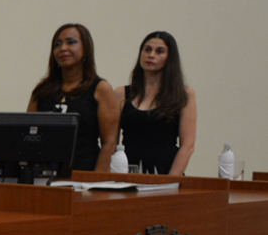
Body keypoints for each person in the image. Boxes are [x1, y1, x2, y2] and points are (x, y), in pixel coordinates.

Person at [27, 23, 121, 172]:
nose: (63, 48)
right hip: (44, 173)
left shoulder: (101, 89)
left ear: (85, 50)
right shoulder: (42, 90)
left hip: (85, 172)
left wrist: (95, 182)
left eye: (71, 42)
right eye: (58, 44)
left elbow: (109, 144)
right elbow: (27, 135)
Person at [115, 31, 196, 175]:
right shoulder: (121, 93)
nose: (151, 55)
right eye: (147, 49)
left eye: (160, 51)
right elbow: (110, 143)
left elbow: (187, 146)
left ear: (170, 58)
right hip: (128, 171)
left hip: (165, 172)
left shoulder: (183, 94)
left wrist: (170, 180)